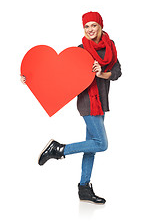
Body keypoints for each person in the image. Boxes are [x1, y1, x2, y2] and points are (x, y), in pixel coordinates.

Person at [21, 11, 122, 204]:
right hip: (87, 102)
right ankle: (58, 149)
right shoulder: (80, 50)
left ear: (100, 26)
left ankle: (84, 189)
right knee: (102, 144)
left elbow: (117, 72)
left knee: (91, 147)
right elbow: (60, 76)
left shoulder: (111, 47)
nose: (90, 29)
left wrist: (101, 73)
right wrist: (31, 78)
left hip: (102, 101)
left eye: (93, 25)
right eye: (86, 26)